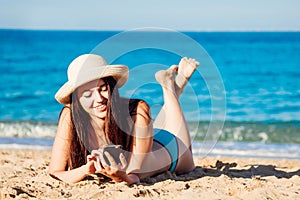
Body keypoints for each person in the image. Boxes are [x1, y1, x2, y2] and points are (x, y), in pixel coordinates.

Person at [49, 54, 200, 185]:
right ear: (77, 100)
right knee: (150, 127)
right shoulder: (70, 116)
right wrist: (86, 170)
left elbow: (135, 175)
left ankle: (169, 87)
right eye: (87, 95)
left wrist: (121, 176)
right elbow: (55, 172)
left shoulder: (137, 109)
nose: (99, 99)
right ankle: (175, 86)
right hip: (147, 139)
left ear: (112, 88)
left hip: (171, 150)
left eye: (103, 89)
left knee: (189, 165)